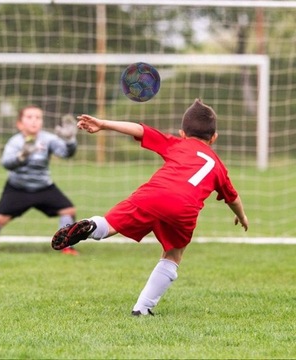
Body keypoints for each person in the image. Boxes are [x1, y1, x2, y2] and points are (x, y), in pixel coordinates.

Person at [51, 98, 249, 315]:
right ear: (214, 138)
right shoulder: (218, 166)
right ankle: (142, 309)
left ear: (182, 133)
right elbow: (233, 198)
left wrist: (103, 124)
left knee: (109, 225)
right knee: (173, 255)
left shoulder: (176, 143)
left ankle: (89, 226)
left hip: (152, 195)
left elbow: (140, 129)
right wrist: (242, 216)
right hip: (184, 208)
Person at [0, 105, 79, 256]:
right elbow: (5, 163)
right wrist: (21, 157)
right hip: (17, 188)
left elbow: (67, 154)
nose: (34, 121)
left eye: (38, 117)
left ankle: (67, 247)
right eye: (29, 117)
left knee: (69, 210)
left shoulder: (48, 139)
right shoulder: (15, 142)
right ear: (19, 123)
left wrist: (70, 140)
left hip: (44, 187)